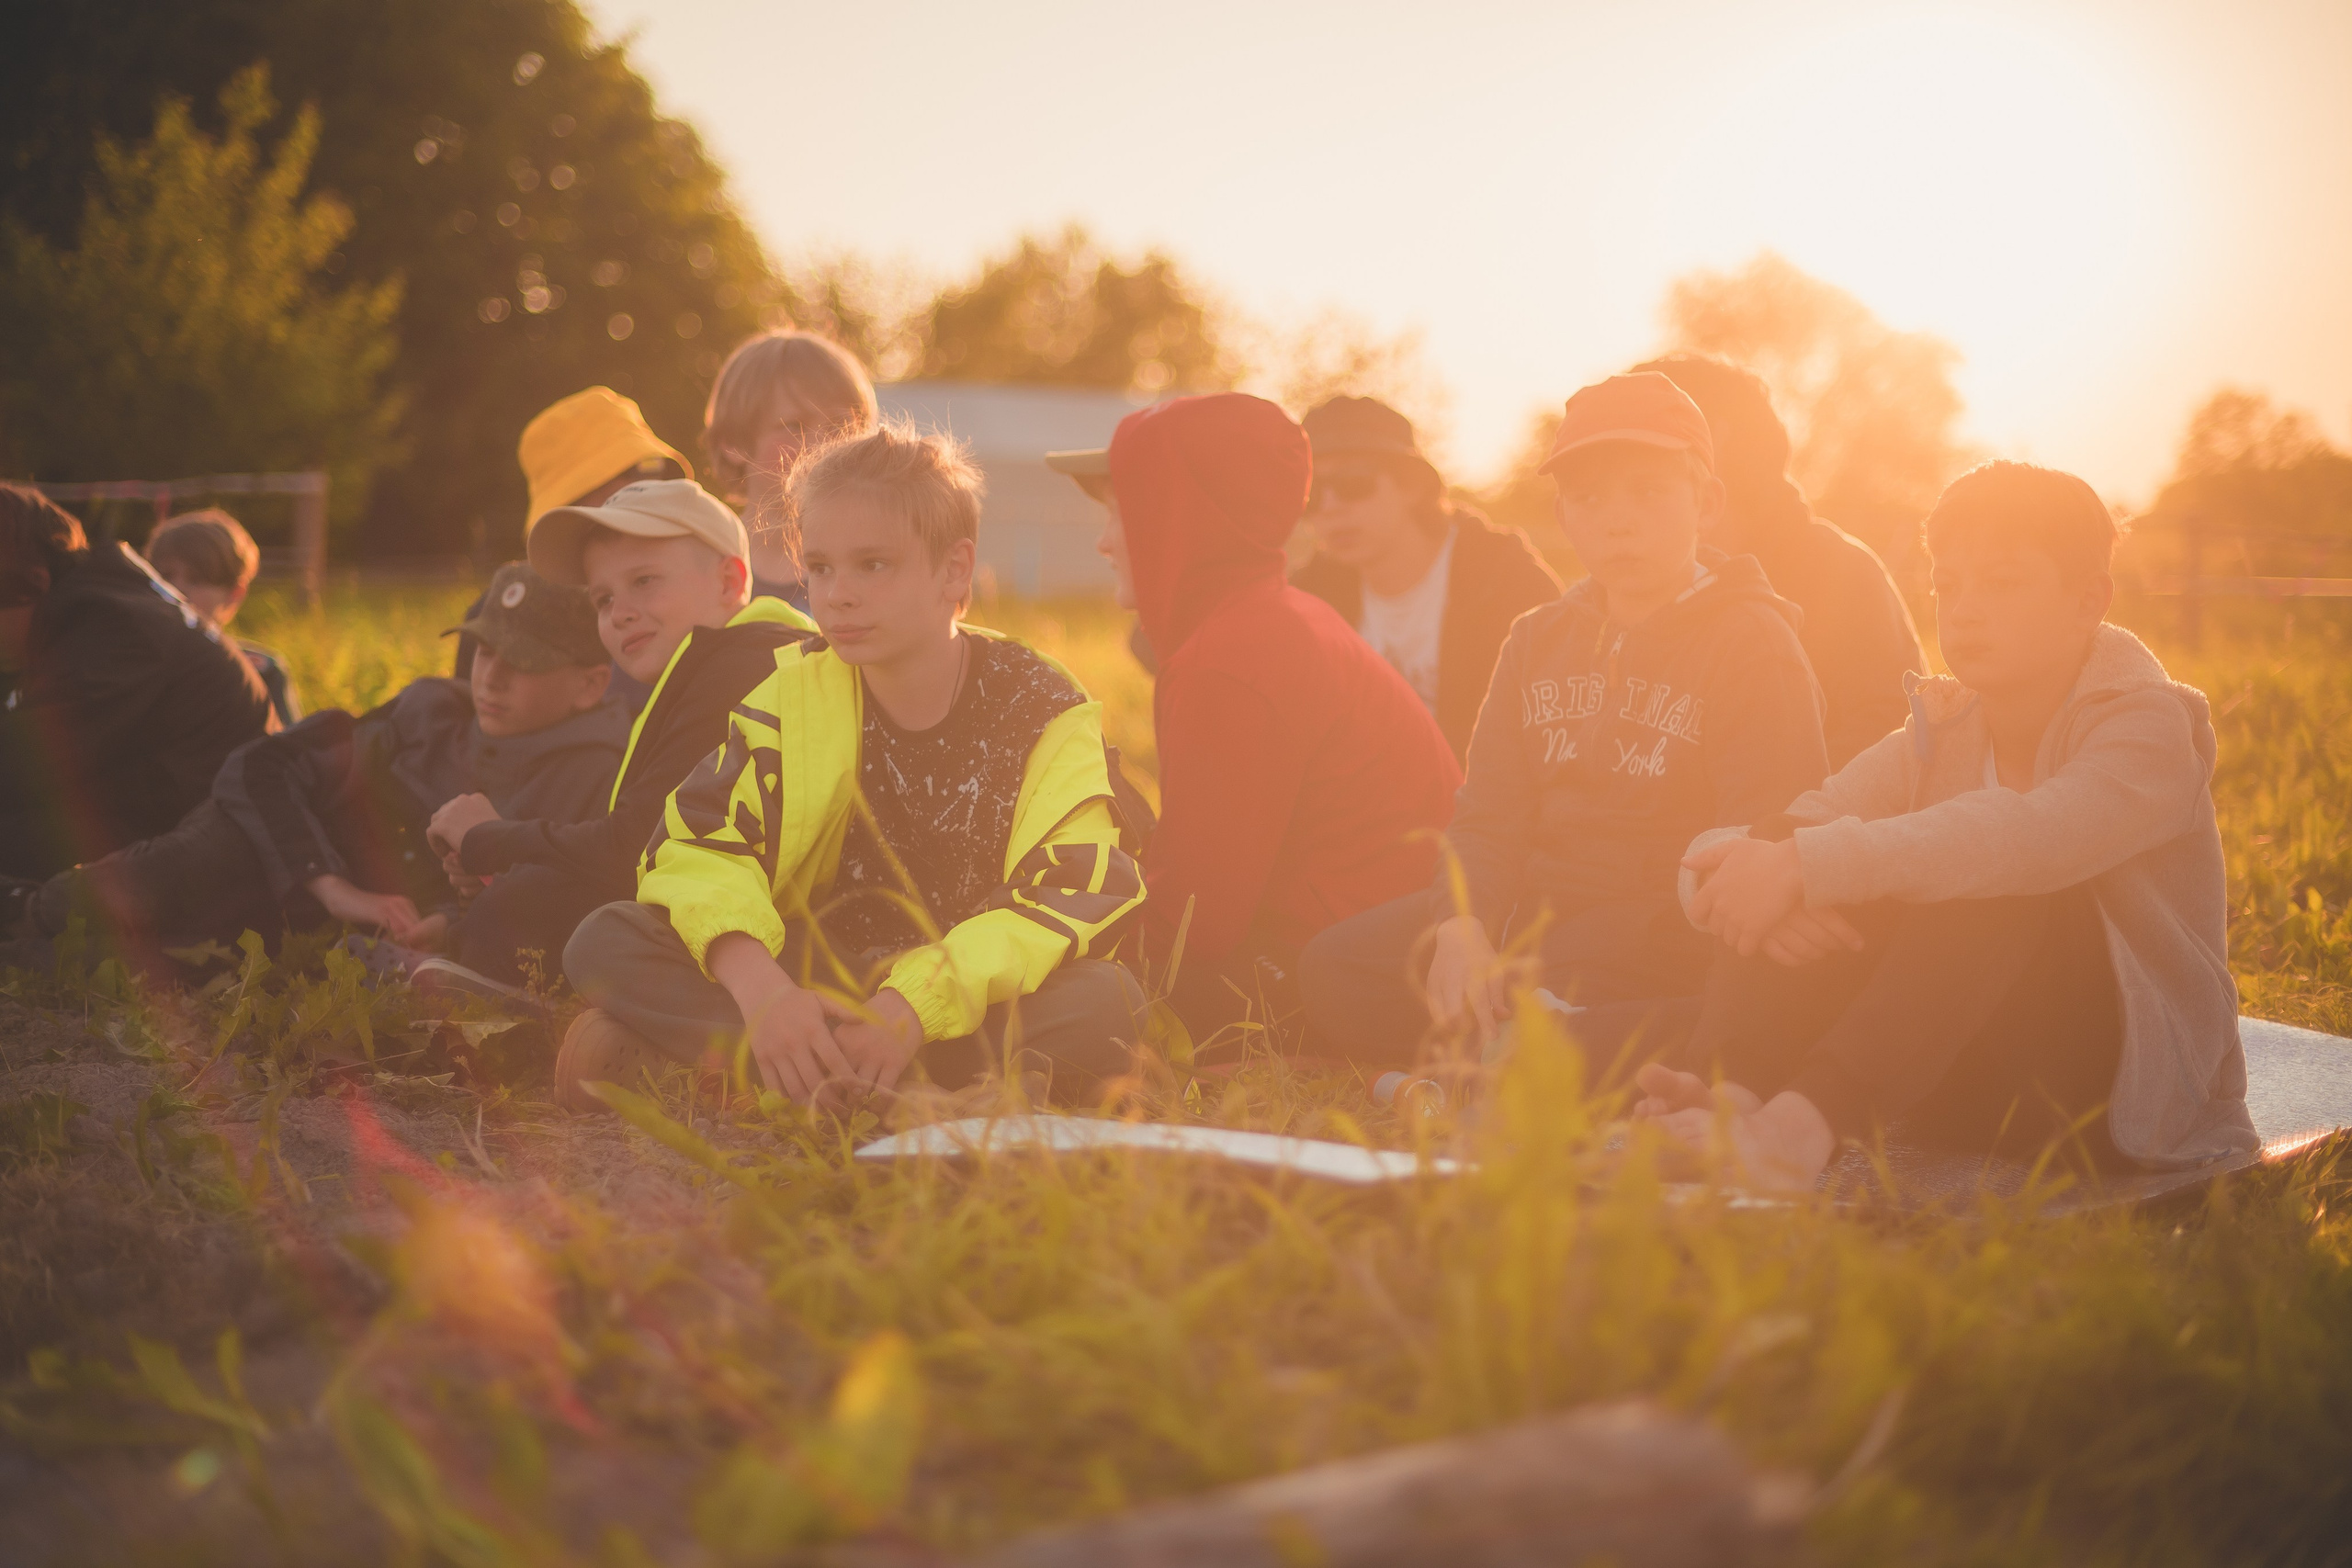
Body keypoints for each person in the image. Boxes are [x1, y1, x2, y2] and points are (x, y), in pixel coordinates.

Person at [1640, 462, 2258, 1188]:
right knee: (1789, 851)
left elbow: (2031, 838)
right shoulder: (1939, 726)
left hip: (2114, 1093)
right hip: (1958, 1083)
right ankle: (1734, 1096)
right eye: (1948, 586)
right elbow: (1786, 831)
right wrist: (1751, 873)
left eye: (2000, 583)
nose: (1963, 610)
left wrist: (1805, 864)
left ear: (2089, 599)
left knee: (1975, 867)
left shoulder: (2148, 727)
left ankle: (1795, 1128)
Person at [559, 424, 1148, 1112]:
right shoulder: (791, 691)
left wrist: (911, 1007)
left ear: (954, 569)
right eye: (822, 566)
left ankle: (758, 1076)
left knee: (1109, 1003)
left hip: (963, 990)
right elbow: (697, 848)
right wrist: (765, 993)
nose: (836, 594)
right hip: (818, 975)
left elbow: (1068, 887)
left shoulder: (1044, 704)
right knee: (606, 936)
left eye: (873, 565)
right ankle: (899, 1090)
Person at [1297, 373, 1828, 1072]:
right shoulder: (1536, 639)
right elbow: (1487, 812)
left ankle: (1573, 1038)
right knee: (1333, 967)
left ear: (1706, 503)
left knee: (1571, 986)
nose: (1618, 519)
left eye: (1648, 491)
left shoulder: (1751, 641)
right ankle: (1529, 1040)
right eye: (1589, 498)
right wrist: (1462, 928)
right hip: (1533, 911)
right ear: (1565, 515)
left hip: (1658, 926)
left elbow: (1760, 838)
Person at [1047, 393, 1462, 1045]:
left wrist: (1046, 936)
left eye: (1120, 513)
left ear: (1181, 517)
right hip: (1374, 931)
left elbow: (1194, 927)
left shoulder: (1235, 656)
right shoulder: (1270, 615)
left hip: (1360, 968)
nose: (1102, 542)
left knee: (1079, 994)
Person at [27, 562, 628, 967]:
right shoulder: (432, 712)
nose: (491, 675)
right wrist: (331, 884)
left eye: (520, 661)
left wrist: (443, 924)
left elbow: (537, 910)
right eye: (485, 649)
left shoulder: (599, 781)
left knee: (102, 958)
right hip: (260, 856)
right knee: (78, 908)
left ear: (589, 685)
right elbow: (266, 764)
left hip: (323, 943)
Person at [414, 479, 818, 990]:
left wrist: (488, 840)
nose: (620, 612)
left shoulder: (742, 667)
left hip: (783, 935)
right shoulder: (719, 663)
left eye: (645, 581)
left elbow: (632, 852)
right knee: (532, 898)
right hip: (756, 919)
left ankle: (550, 1017)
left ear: (728, 582)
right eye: (603, 599)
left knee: (566, 917)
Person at [1633, 355, 1924, 767]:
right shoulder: (1632, 580)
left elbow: (1886, 746)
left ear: (1713, 439)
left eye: (1641, 433)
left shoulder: (1844, 575)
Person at [0, 484, 272, 885]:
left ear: (33, 583)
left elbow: (23, 765)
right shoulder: (99, 602)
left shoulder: (117, 631)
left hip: (219, 853)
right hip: (170, 816)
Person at [1290, 396, 1561, 760]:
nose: (1331, 506)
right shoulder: (1309, 597)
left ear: (1412, 486)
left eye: (1354, 483)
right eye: (1311, 494)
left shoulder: (1507, 581)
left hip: (1479, 806)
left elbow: (1556, 736)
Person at [454, 386, 694, 705]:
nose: (645, 506)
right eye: (614, 502)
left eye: (654, 486)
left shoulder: (704, 587)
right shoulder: (499, 618)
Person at [702, 330, 881, 602]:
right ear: (733, 443)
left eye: (840, 426)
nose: (822, 445)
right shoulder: (700, 571)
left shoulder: (883, 561)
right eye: (793, 426)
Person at [144, 507, 302, 726]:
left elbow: (289, 752)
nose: (175, 590)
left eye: (196, 580)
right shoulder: (136, 664)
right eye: (165, 576)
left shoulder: (261, 671)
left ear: (234, 595)